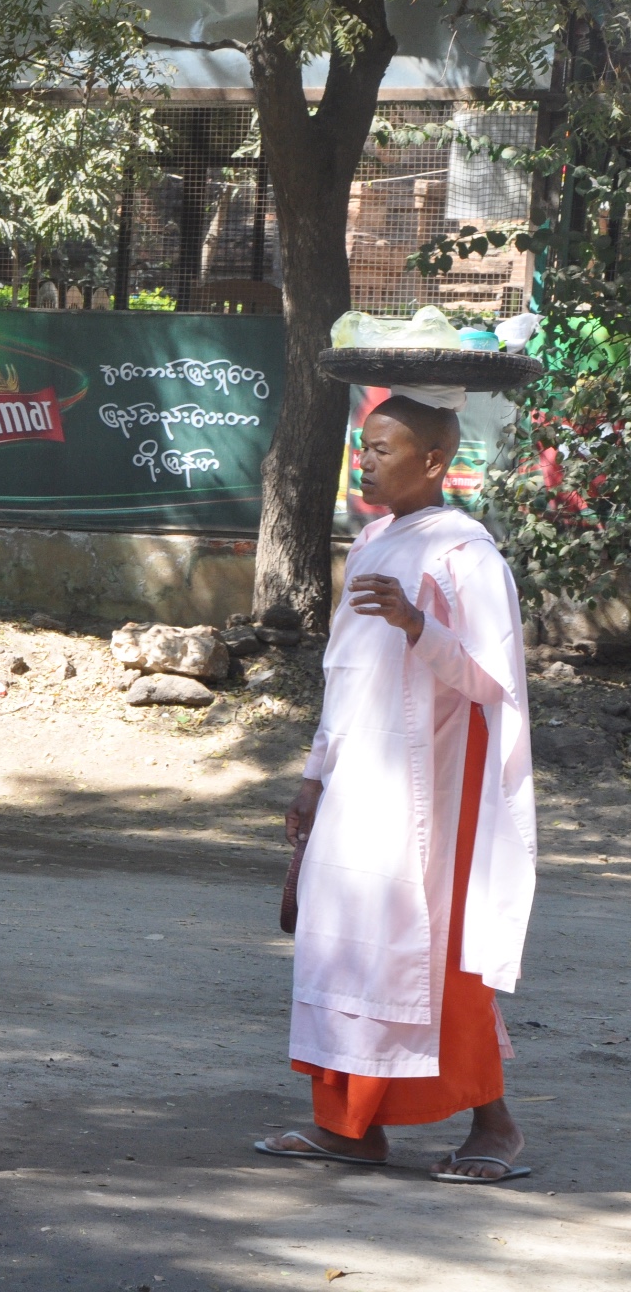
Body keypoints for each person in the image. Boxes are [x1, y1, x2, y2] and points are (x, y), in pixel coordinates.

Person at [257, 391, 537, 1183]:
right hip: (356, 787)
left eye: (383, 447)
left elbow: (492, 679)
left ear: (436, 461)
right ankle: (350, 1128)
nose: (366, 459)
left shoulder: (466, 552)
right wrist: (315, 776)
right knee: (344, 946)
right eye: (363, 445)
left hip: (431, 794)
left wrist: (422, 627)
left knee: (429, 954)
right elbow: (342, 675)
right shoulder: (376, 539)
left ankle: (495, 1126)